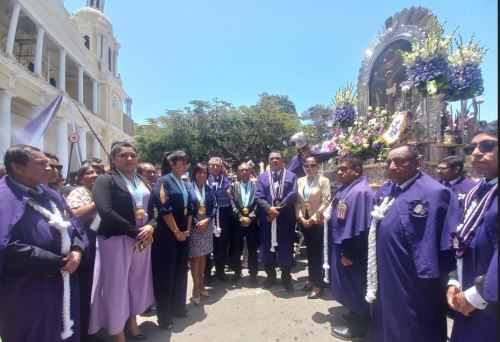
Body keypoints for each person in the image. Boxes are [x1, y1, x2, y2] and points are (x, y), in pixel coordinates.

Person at [366, 144, 460, 342]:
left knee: (413, 325)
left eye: (399, 161)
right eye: (389, 161)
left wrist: (451, 278)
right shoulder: (389, 190)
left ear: (419, 163)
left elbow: (448, 242)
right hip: (387, 271)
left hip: (415, 278)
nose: (392, 166)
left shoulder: (435, 193)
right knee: (387, 319)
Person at [0, 145, 87, 342]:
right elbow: (7, 246)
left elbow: (74, 226)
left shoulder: (51, 194)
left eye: (50, 164)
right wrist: (56, 262)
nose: (50, 169)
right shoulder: (3, 199)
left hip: (64, 281)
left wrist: (77, 249)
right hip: (29, 290)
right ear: (17, 167)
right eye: (41, 164)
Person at [89, 141, 155, 342]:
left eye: (132, 155)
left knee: (136, 282)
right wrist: (135, 232)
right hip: (117, 240)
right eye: (123, 156)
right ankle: (117, 332)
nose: (129, 159)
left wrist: (152, 225)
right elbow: (105, 211)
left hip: (143, 239)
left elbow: (154, 208)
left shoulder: (141, 180)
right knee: (116, 287)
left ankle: (132, 323)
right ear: (113, 159)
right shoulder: (105, 180)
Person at [448, 122, 498, 341]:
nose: (476, 153)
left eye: (487, 146)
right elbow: (464, 239)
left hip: (490, 301)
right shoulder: (477, 191)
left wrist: (477, 295)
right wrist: (455, 280)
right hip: (468, 293)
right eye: (471, 149)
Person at [328, 156, 375, 340]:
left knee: (357, 287)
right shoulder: (349, 188)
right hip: (343, 246)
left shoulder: (359, 192)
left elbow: (360, 228)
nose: (339, 172)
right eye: (338, 169)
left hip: (353, 252)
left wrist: (350, 254)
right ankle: (354, 314)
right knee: (349, 287)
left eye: (344, 169)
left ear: (357, 171)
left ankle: (359, 329)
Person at [151, 150, 192, 330]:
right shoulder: (163, 181)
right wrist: (176, 231)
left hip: (183, 233)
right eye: (181, 162)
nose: (184, 165)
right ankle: (165, 317)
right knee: (166, 275)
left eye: (186, 162)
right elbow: (164, 208)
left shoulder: (184, 183)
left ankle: (178, 308)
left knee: (181, 272)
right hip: (167, 234)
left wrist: (187, 230)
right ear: (172, 164)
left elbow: (190, 207)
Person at [255, 151, 298, 292]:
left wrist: (276, 210)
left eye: (277, 158)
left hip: (285, 220)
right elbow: (258, 197)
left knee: (286, 249)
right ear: (268, 161)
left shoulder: (291, 176)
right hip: (267, 220)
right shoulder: (262, 178)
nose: (275, 160)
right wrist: (269, 209)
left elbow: (292, 195)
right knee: (267, 249)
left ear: (282, 161)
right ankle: (271, 276)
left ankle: (286, 278)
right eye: (272, 158)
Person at [66, 162, 99, 341]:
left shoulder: (94, 192)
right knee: (85, 292)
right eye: (89, 172)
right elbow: (76, 216)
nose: (94, 175)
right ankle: (85, 334)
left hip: (97, 247)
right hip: (83, 249)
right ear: (79, 178)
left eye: (97, 172)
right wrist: (98, 202)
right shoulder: (78, 192)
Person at [295, 156, 331, 298]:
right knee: (309, 253)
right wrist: (300, 217)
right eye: (306, 165)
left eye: (312, 165)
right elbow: (297, 202)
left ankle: (318, 286)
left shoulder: (323, 181)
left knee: (317, 254)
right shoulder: (300, 181)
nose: (309, 167)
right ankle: (311, 280)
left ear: (317, 166)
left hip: (317, 222)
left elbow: (326, 201)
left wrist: (314, 218)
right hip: (304, 221)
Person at [187, 163, 216, 303]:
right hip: (194, 227)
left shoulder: (210, 189)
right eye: (199, 172)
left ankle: (201, 283)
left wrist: (208, 220)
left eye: (205, 173)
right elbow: (186, 208)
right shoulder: (188, 188)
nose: (202, 175)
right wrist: (195, 222)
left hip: (207, 226)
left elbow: (214, 207)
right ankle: (195, 287)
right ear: (194, 174)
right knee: (195, 257)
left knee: (204, 255)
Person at [230, 162, 260, 286]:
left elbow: (259, 202)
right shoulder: (233, 186)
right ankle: (237, 272)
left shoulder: (256, 186)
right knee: (237, 250)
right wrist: (241, 217)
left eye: (246, 170)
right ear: (238, 172)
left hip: (252, 223)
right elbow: (231, 202)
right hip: (238, 223)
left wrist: (251, 217)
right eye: (241, 170)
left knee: (253, 250)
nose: (244, 172)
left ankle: (253, 274)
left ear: (250, 171)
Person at [204, 156, 232, 283]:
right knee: (206, 247)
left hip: (223, 218)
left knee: (221, 246)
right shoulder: (203, 180)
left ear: (221, 168)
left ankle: (220, 272)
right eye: (212, 165)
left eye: (217, 165)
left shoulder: (227, 181)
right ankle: (207, 274)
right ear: (208, 166)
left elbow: (230, 199)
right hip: (207, 218)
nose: (215, 167)